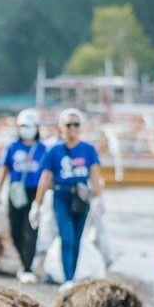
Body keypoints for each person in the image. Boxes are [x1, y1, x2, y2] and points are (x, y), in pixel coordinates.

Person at [30, 108, 103, 292]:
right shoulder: (54, 151)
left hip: (82, 197)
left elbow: (94, 176)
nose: (72, 128)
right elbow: (45, 179)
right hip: (61, 196)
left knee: (78, 239)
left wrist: (98, 199)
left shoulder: (88, 149)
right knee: (67, 237)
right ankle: (68, 279)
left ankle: (72, 275)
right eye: (68, 124)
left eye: (76, 124)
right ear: (61, 127)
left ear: (80, 127)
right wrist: (36, 205)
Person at [0, 108, 46, 283]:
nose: (26, 129)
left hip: (35, 193)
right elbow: (3, 170)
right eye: (23, 125)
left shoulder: (44, 149)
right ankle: (25, 261)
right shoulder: (12, 147)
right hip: (16, 191)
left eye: (30, 125)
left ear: (37, 127)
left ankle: (28, 267)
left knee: (31, 231)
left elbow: (48, 175)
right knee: (15, 231)